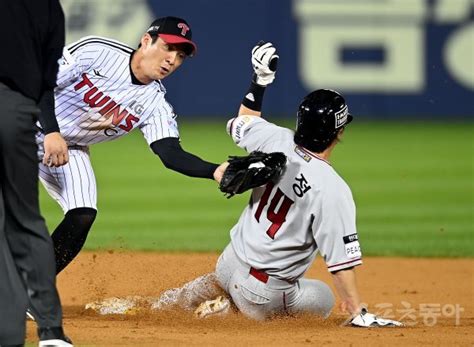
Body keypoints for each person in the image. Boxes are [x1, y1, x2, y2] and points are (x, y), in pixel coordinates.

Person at [85, 42, 403, 327]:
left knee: (208, 286)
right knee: (322, 298)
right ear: (339, 132)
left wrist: (260, 82)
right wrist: (357, 309)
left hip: (229, 262)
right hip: (263, 293)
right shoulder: (332, 189)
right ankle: (228, 312)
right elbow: (340, 264)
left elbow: (244, 120)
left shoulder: (274, 138)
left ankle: (153, 306)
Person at [36, 16, 228, 275]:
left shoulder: (154, 103)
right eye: (168, 47)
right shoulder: (99, 52)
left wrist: (214, 170)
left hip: (70, 148)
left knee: (82, 214)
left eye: (181, 55)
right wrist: (51, 131)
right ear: (146, 41)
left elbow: (171, 154)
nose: (172, 60)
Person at [0, 0, 73, 345]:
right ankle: (50, 332)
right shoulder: (49, 7)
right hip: (15, 112)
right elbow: (47, 80)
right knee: (25, 220)